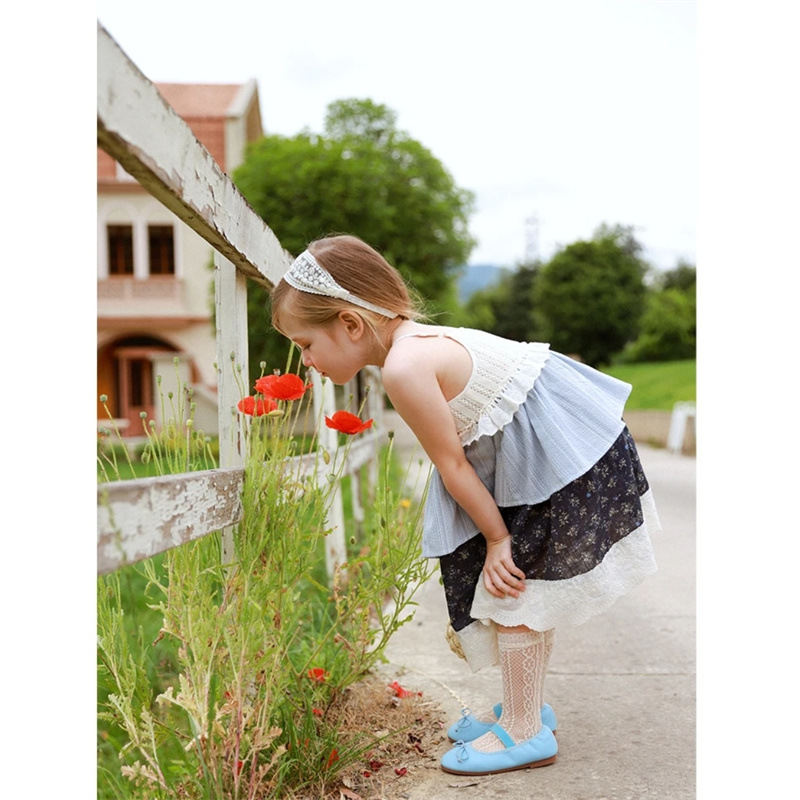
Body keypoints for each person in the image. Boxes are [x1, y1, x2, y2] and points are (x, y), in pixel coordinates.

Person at [270, 234, 660, 776]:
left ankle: (525, 731)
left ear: (351, 323)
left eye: (306, 342)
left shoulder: (405, 368)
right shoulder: (419, 339)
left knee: (514, 591)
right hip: (564, 450)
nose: (306, 359)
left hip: (563, 459)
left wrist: (499, 540)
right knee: (524, 588)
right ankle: (525, 709)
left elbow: (452, 465)